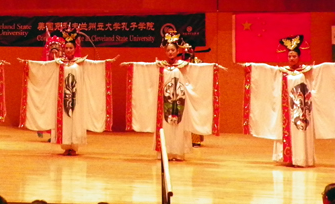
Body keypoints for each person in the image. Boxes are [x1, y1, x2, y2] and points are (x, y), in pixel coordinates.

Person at [121, 31, 221, 160]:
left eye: (173, 50)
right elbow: (145, 67)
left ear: (177, 51)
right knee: (165, 127)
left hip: (180, 103)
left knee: (179, 127)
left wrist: (213, 67)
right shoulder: (161, 66)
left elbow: (199, 70)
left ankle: (178, 153)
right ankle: (164, 152)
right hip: (164, 103)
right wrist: (131, 65)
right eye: (168, 50)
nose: (170, 53)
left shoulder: (183, 66)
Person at [19, 27, 115, 156]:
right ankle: (66, 146)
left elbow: (94, 65)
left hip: (76, 98)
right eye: (67, 48)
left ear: (75, 49)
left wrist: (106, 63)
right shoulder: (59, 63)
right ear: (64, 50)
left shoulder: (80, 63)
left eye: (71, 48)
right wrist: (28, 63)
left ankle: (74, 146)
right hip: (62, 99)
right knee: (65, 120)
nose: (69, 50)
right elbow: (44, 67)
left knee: (75, 120)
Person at [243, 35, 335, 167]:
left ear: (299, 57)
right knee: (285, 129)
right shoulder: (282, 72)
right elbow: (267, 70)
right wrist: (249, 66)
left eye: (294, 56)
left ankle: (302, 159)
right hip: (286, 109)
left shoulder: (307, 71)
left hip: (302, 112)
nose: (291, 59)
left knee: (301, 131)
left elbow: (324, 68)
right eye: (290, 56)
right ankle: (287, 158)